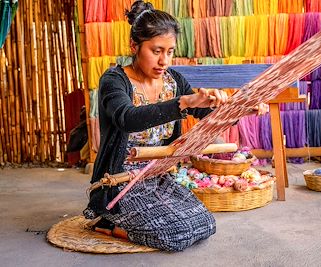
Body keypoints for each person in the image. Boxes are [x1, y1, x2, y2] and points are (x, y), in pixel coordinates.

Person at [84, 1, 268, 252]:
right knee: (175, 236)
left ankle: (134, 221)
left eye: (170, 52)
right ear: (134, 46)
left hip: (156, 176)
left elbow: (205, 113)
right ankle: (107, 223)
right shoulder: (114, 81)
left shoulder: (173, 81)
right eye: (156, 50)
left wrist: (240, 108)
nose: (164, 61)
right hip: (120, 184)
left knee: (205, 225)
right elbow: (127, 118)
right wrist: (182, 102)